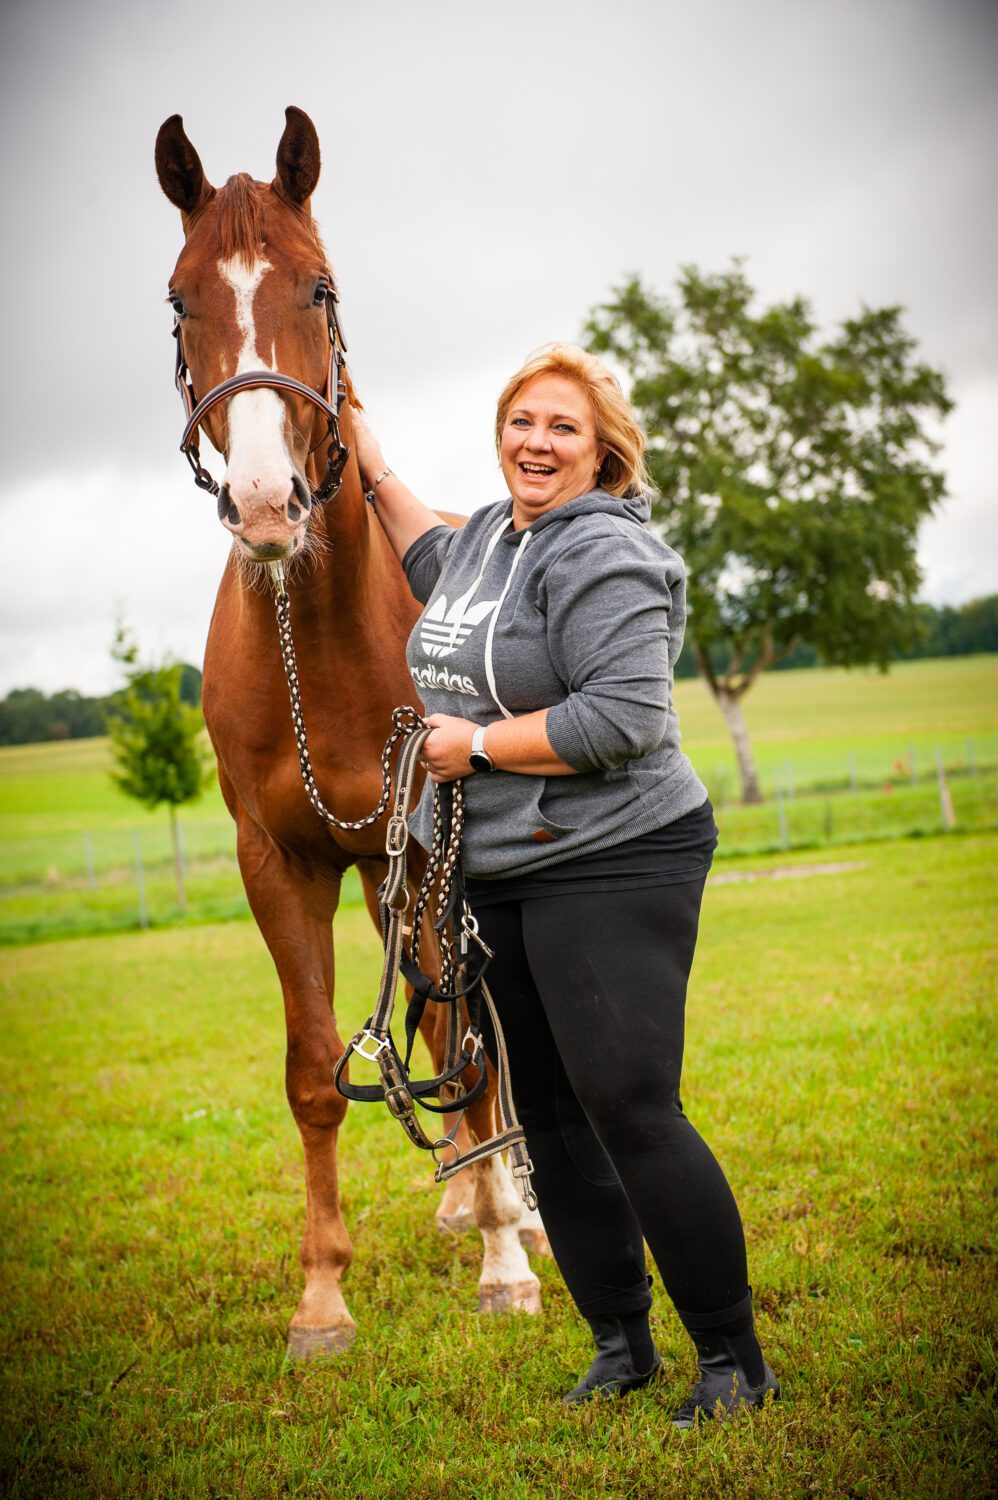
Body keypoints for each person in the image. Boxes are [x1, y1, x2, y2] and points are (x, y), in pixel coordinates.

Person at [351, 344, 779, 1427]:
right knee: (543, 1112)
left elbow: (623, 719)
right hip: (502, 868)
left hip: (616, 857)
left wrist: (479, 748)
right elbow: (426, 554)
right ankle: (619, 1345)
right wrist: (364, 460)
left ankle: (731, 1359)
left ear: (601, 454)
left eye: (560, 430)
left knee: (628, 1108)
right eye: (520, 423)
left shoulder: (602, 556)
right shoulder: (497, 534)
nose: (534, 443)